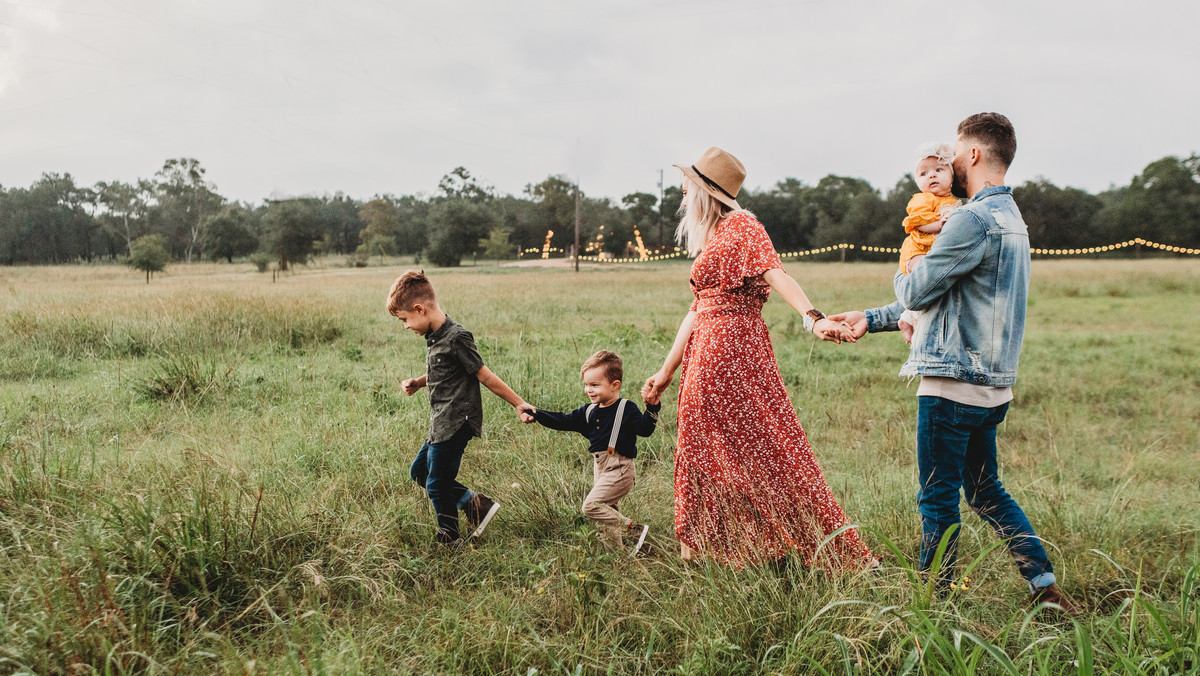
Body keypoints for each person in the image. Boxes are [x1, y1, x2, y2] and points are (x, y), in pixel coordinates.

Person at [830, 113, 1081, 616]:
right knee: (987, 491)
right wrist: (873, 318)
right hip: (992, 387)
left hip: (951, 385)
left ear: (973, 155)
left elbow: (919, 288)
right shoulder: (1012, 219)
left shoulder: (970, 219)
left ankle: (933, 604)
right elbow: (951, 296)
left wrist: (906, 267)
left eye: (955, 153)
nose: (948, 163)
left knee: (937, 500)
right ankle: (1045, 587)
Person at [641, 146, 875, 569]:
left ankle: (793, 545)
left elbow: (776, 273)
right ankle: (709, 550)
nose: (680, 192)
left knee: (763, 447)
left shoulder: (743, 226)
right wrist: (665, 371)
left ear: (705, 191)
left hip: (731, 351)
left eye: (686, 185)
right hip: (707, 351)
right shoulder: (715, 236)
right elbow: (696, 311)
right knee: (706, 448)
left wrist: (813, 318)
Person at [388, 270, 536, 547]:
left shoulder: (457, 337)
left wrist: (519, 403)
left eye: (405, 319)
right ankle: (476, 506)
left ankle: (450, 537)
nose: (406, 326)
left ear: (420, 309)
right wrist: (419, 383)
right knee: (419, 472)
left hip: (457, 422)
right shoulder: (435, 336)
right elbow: (444, 372)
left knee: (436, 483)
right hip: (440, 421)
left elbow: (484, 375)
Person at [525, 350, 659, 555]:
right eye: (586, 385)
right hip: (601, 468)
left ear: (615, 385)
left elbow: (645, 430)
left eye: (595, 385)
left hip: (621, 469)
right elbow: (562, 420)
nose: (589, 390)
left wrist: (652, 408)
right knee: (606, 516)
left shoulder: (626, 408)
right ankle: (617, 557)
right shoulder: (588, 411)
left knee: (591, 507)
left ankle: (633, 530)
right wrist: (537, 414)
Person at [897, 142, 961, 343]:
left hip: (932, 251)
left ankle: (908, 317)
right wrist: (937, 225)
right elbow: (916, 222)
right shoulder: (924, 199)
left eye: (939, 170)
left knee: (935, 284)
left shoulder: (954, 201)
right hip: (917, 251)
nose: (931, 175)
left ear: (952, 176)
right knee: (925, 279)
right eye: (923, 173)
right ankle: (911, 319)